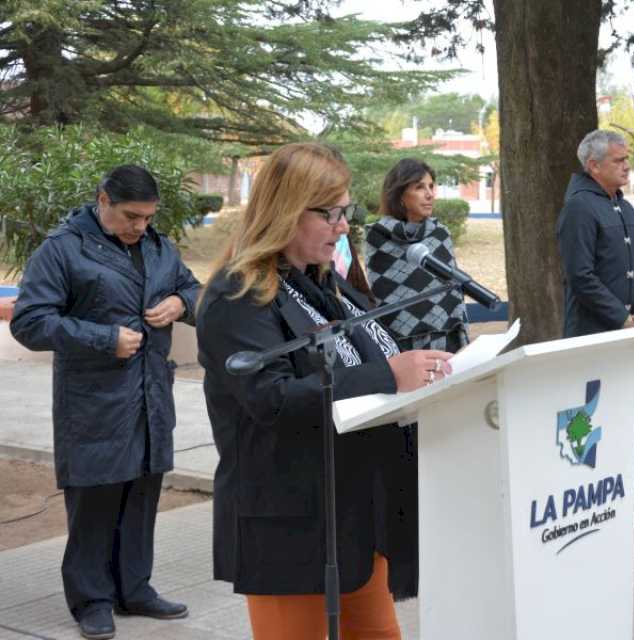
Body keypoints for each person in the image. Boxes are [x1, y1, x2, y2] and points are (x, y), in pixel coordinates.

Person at [196, 142, 452, 640]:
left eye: (346, 211)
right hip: (289, 516)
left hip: (355, 506)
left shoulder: (326, 284)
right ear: (287, 209)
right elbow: (271, 398)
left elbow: (371, 357)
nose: (342, 225)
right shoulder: (240, 294)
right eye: (330, 212)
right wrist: (389, 376)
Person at [11, 165, 199, 639]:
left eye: (148, 217)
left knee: (142, 494)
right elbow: (30, 321)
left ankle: (134, 589)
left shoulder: (160, 247)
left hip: (152, 393)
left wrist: (181, 302)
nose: (140, 226)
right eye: (131, 216)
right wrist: (102, 338)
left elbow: (195, 290)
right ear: (102, 201)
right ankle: (91, 599)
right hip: (93, 401)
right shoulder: (62, 250)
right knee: (95, 501)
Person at [557, 129, 634, 528]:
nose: (627, 165)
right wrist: (619, 316)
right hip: (592, 331)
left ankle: (616, 503)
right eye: (618, 160)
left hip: (627, 330)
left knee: (619, 417)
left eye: (627, 158)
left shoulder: (624, 207)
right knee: (585, 421)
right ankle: (579, 506)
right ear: (593, 165)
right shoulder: (580, 207)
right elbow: (580, 275)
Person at [365, 158, 469, 353]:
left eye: (431, 186)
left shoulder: (440, 233)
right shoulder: (377, 236)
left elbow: (453, 290)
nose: (429, 194)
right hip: (402, 345)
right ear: (400, 195)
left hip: (449, 339)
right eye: (420, 187)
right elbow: (383, 292)